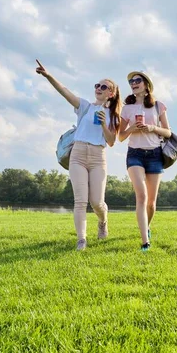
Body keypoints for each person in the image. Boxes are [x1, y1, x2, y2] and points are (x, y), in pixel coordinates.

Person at [35, 59, 121, 251]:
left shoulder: (114, 115)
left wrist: (105, 125)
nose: (98, 88)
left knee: (97, 201)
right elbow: (65, 91)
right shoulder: (85, 106)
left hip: (98, 157)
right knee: (80, 200)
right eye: (97, 85)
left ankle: (103, 222)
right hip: (78, 154)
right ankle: (81, 240)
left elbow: (112, 141)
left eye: (103, 86)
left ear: (111, 93)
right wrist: (49, 76)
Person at [118, 71, 171, 251]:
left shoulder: (158, 106)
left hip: (155, 154)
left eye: (137, 80)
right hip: (135, 155)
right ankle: (144, 242)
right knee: (141, 196)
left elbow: (168, 132)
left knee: (151, 203)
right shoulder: (127, 108)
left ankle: (146, 227)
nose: (133, 83)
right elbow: (120, 136)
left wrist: (151, 127)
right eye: (131, 81)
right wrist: (132, 128)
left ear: (147, 85)